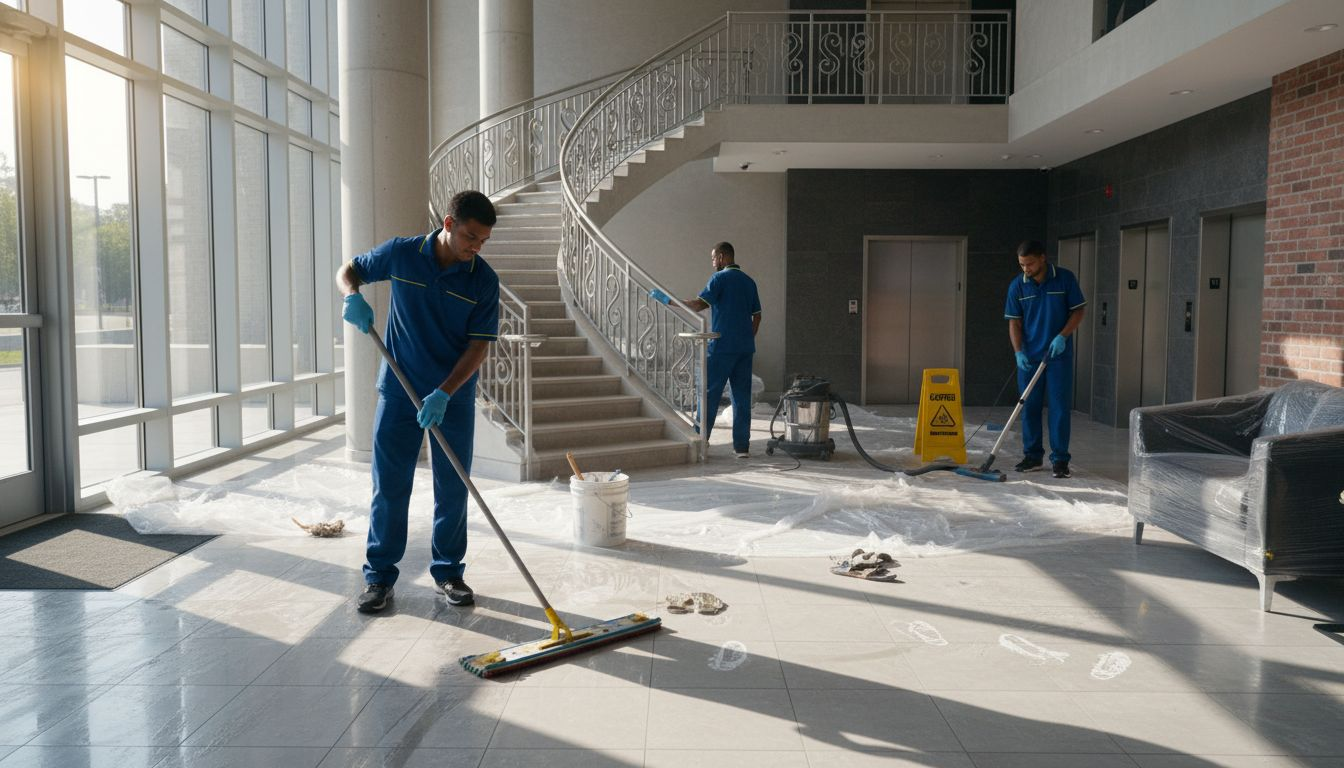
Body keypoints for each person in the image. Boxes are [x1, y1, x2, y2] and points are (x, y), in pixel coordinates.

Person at [337, 190, 499, 614]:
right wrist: (351, 296)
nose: (476, 247)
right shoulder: (402, 254)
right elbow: (349, 271)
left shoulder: (483, 280)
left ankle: (449, 573)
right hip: (399, 389)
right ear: (448, 224)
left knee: (453, 488)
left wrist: (445, 392)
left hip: (452, 397)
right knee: (390, 486)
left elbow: (479, 346)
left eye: (483, 240)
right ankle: (378, 577)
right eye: (470, 237)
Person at [650, 241, 762, 457]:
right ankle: (741, 448)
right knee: (741, 397)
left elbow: (698, 305)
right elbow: (757, 315)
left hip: (721, 346)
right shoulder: (749, 281)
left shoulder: (718, 279)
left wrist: (668, 300)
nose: (712, 263)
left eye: (713, 258)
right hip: (744, 348)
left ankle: (700, 440)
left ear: (721, 257)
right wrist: (748, 337)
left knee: (708, 394)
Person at [1004, 239, 1086, 479]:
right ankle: (1032, 456)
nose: (1026, 269)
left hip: (1058, 356)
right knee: (1029, 406)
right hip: (1030, 358)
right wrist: (1018, 352)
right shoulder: (1017, 286)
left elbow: (1078, 310)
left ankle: (1060, 460)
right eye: (1021, 264)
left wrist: (1063, 336)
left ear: (1042, 258)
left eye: (1029, 264)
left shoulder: (1065, 279)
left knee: (1059, 408)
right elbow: (1014, 322)